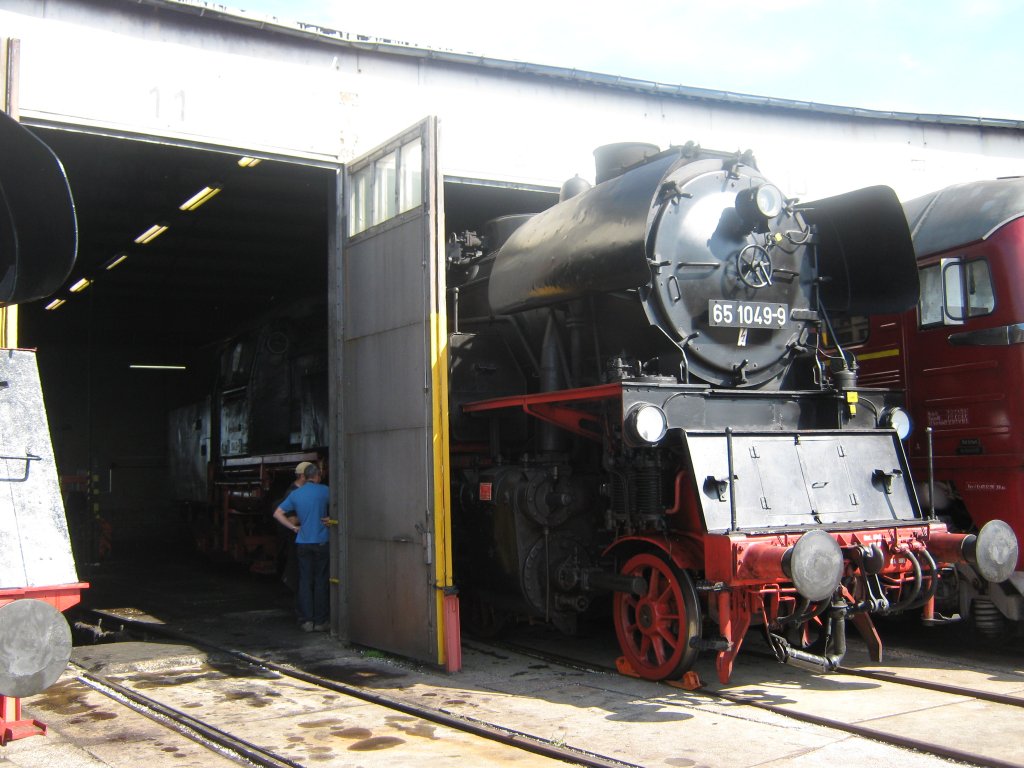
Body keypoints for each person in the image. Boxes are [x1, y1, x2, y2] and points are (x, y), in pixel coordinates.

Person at [273, 463, 330, 632]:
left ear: (305, 477)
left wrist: (293, 528)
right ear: (318, 476)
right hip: (321, 542)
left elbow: (277, 513)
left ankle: (307, 621)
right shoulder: (325, 491)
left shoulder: (296, 494)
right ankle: (321, 621)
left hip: (302, 543)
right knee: (320, 581)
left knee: (304, 581)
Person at [274, 461, 312, 592]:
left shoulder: (301, 491)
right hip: (296, 538)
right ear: (302, 476)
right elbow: (292, 519)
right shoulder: (292, 493)